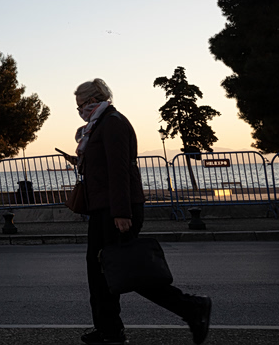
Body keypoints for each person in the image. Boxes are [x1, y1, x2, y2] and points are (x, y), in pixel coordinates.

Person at [65, 78, 212, 345]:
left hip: (115, 210)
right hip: (104, 208)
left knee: (129, 271)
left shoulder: (113, 123)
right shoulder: (99, 125)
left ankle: (191, 308)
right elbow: (106, 165)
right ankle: (109, 330)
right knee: (102, 273)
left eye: (81, 105)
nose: (80, 111)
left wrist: (121, 212)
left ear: (94, 100)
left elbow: (121, 170)